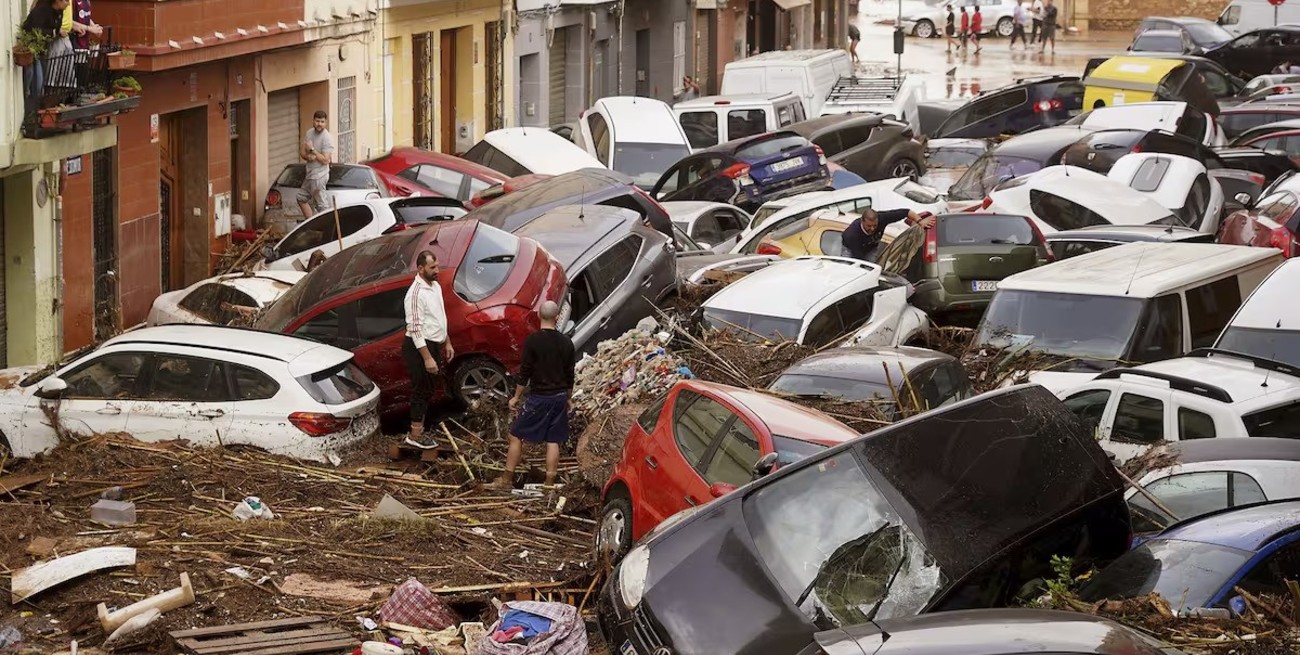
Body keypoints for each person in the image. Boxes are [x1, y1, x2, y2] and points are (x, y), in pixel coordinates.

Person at [488, 301, 575, 491]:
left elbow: (524, 373)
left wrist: (516, 397)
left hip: (540, 397)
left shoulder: (533, 341)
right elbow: (570, 374)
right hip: (559, 396)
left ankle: (506, 479)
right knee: (553, 440)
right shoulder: (567, 343)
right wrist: (568, 397)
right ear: (557, 317)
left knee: (515, 435)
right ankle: (549, 484)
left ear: (538, 316)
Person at [402, 250, 455, 450]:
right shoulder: (415, 294)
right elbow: (415, 329)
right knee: (421, 389)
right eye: (433, 267)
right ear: (421, 268)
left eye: (437, 266)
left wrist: (446, 341)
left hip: (434, 343)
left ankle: (422, 428)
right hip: (419, 348)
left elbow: (439, 317)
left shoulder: (435, 287)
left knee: (431, 388)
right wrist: (427, 358)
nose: (437, 270)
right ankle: (415, 435)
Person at [841, 208, 936, 262]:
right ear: (862, 221)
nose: (872, 229)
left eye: (875, 225)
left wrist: (920, 221)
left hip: (871, 247)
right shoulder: (852, 235)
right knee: (851, 270)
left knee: (871, 268)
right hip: (851, 249)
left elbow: (906, 212)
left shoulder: (883, 218)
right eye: (869, 226)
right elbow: (859, 259)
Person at [298, 110, 335, 220]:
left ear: (326, 123)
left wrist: (312, 150)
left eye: (322, 122)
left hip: (319, 176)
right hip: (310, 174)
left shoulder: (327, 138)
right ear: (313, 121)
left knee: (322, 206)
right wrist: (307, 157)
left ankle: (327, 229)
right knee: (300, 198)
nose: (319, 124)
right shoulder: (309, 133)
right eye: (317, 121)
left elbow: (325, 160)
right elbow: (302, 152)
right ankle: (311, 224)